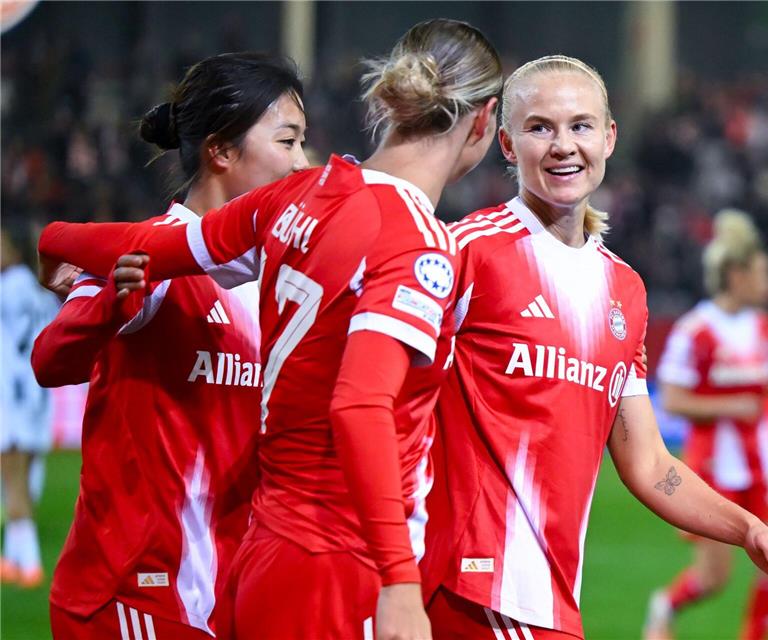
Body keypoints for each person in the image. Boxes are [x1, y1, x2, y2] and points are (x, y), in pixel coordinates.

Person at [38, 19, 503, 640]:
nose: (297, 155)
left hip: (256, 557)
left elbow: (156, 246)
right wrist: (399, 580)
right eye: (286, 139)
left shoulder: (297, 204)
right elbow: (360, 404)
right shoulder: (416, 243)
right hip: (317, 564)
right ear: (482, 120)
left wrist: (54, 239)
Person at [418, 56, 768, 640]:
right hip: (472, 586)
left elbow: (648, 465)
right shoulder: (466, 253)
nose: (562, 145)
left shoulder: (623, 289)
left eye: (580, 126)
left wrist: (745, 527)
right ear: (505, 142)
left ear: (609, 137)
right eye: (539, 127)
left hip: (551, 597)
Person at [32, 52, 308, 639]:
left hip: (231, 593)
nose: (302, 164)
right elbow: (51, 360)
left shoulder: (282, 284)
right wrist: (110, 304)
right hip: (136, 594)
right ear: (222, 151)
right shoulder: (146, 254)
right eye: (287, 142)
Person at [645, 209, 768, 640]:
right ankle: (664, 606)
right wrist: (731, 406)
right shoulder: (695, 331)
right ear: (736, 275)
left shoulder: (762, 326)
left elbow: (758, 389)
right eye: (762, 273)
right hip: (715, 467)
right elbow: (673, 398)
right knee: (714, 579)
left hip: (764, 462)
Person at [0, 227, 58, 588]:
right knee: (25, 480)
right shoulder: (41, 293)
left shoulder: (7, 288)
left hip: (11, 398)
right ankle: (11, 558)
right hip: (37, 397)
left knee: (13, 484)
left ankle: (31, 564)